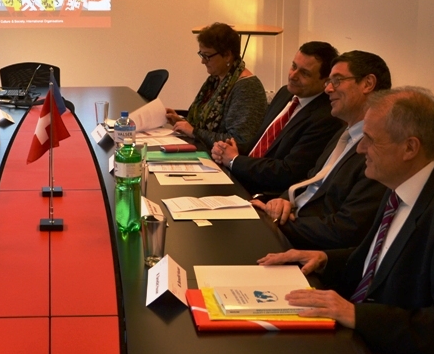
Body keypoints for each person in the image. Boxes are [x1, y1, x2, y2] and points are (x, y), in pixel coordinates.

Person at [258, 87, 434, 354]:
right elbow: (378, 262)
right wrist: (324, 258)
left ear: (410, 147)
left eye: (370, 139)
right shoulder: (400, 185)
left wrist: (356, 314)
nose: (360, 148)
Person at [252, 51, 391, 249]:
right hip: (289, 225)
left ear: (367, 84)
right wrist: (282, 202)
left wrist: (276, 223)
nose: (328, 89)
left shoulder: (380, 149)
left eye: (337, 80)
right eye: (329, 82)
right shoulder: (344, 132)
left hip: (307, 246)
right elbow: (312, 180)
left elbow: (346, 228)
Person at [212, 42, 344, 194]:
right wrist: (227, 150)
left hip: (264, 193)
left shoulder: (326, 118)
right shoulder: (285, 93)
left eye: (304, 73)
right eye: (294, 66)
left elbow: (288, 172)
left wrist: (235, 160)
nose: (293, 76)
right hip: (240, 176)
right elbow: (261, 143)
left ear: (325, 81)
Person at [165, 22, 267, 153]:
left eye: (207, 56)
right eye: (201, 55)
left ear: (227, 55)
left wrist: (194, 132)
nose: (203, 61)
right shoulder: (216, 80)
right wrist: (181, 122)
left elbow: (240, 141)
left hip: (223, 160)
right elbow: (204, 125)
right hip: (208, 152)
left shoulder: (247, 87)